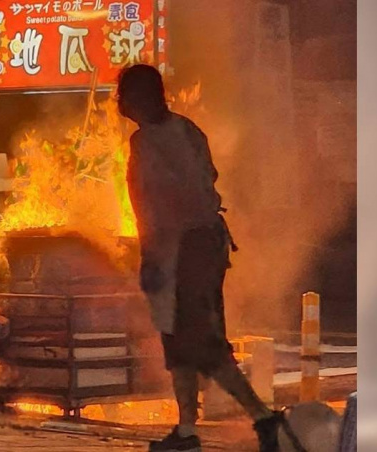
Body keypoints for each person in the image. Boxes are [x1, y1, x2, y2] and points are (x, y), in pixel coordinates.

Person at [118, 64, 282, 452]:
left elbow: (160, 202)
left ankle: (263, 418)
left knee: (198, 342)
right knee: (179, 342)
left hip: (183, 253)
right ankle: (188, 429)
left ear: (140, 97)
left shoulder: (149, 142)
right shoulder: (187, 130)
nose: (118, 102)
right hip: (201, 247)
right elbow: (207, 178)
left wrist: (156, 253)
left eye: (122, 94)